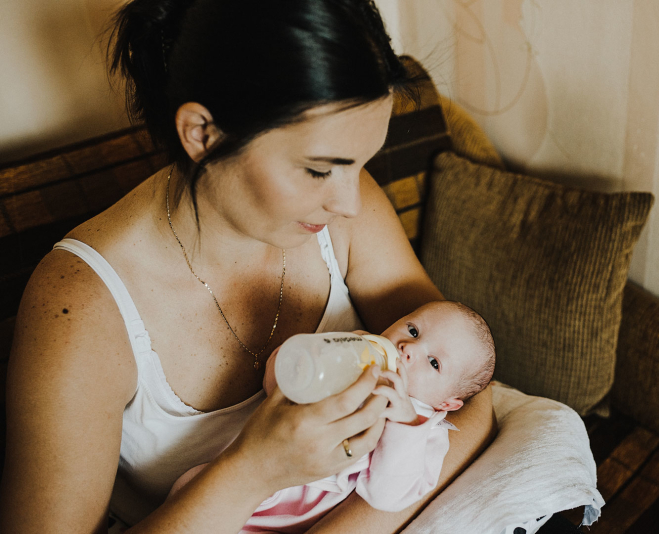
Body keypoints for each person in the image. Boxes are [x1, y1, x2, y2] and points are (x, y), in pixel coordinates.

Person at [0, 1, 495, 533]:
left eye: (362, 162)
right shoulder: (80, 307)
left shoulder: (344, 212)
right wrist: (253, 470)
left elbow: (469, 393)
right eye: (318, 169)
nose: (350, 203)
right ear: (203, 134)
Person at [169, 301, 496, 532]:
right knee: (189, 489)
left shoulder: (424, 432)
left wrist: (403, 423)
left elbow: (386, 496)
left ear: (447, 404)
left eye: (434, 363)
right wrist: (314, 358)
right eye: (412, 329)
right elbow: (275, 385)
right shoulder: (354, 350)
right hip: (254, 483)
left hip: (294, 522)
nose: (409, 348)